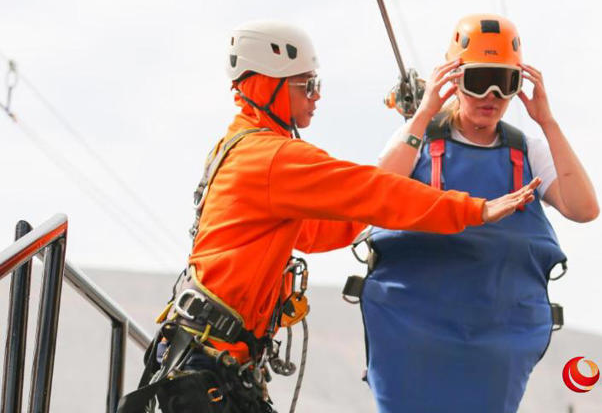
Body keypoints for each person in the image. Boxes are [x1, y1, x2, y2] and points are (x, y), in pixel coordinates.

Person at [117, 20, 542, 413]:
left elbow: (319, 232)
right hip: (212, 365)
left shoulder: (241, 147)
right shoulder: (273, 158)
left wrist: (370, 207)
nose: (317, 96)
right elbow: (372, 191)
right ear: (269, 87)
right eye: (307, 85)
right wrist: (474, 209)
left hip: (215, 360)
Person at [359, 14, 599, 413]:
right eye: (477, 80)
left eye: (504, 82)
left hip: (496, 343)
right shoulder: (418, 139)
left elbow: (583, 208)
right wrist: (423, 114)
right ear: (453, 79)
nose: (490, 96)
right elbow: (373, 195)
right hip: (411, 337)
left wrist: (548, 121)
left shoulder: (528, 150)